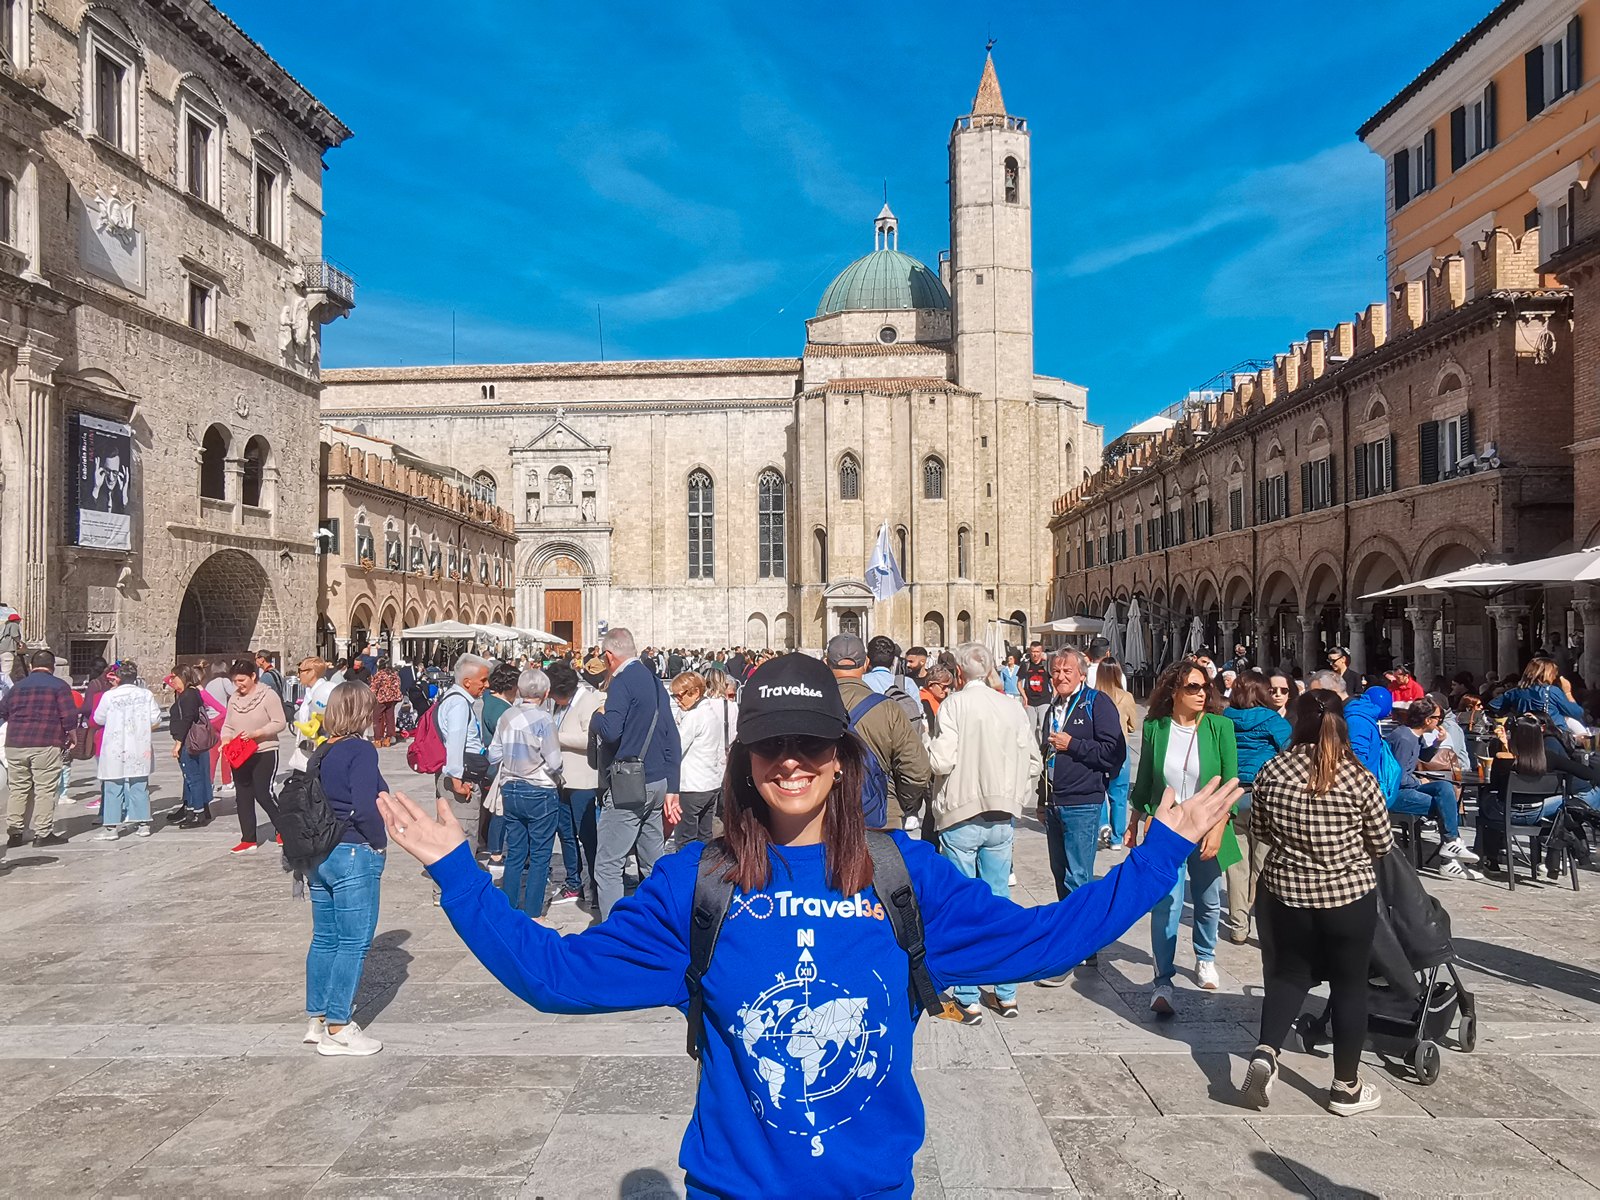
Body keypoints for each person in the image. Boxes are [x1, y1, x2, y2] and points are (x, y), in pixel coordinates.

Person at [375, 651, 1241, 1197]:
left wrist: (1160, 852)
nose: (792, 760)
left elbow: (1049, 937)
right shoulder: (697, 884)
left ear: (842, 756)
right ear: (746, 760)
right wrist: (459, 873)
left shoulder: (907, 876)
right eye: (771, 744)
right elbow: (555, 977)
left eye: (813, 743)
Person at [1241, 689, 1393, 1117]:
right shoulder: (1357, 776)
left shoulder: (1273, 769)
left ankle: (1267, 1052)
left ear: (1297, 720)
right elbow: (1382, 842)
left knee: (1287, 977)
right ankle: (1345, 1087)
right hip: (1346, 895)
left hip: (1285, 892)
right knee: (1349, 986)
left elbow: (1260, 828)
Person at [925, 643, 1044, 1020]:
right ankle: (1006, 991)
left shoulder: (954, 705)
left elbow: (943, 760)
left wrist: (926, 746)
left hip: (962, 815)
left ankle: (968, 993)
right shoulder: (1012, 705)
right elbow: (1033, 761)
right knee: (998, 902)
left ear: (958, 674)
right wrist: (1014, 795)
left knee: (963, 904)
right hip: (1000, 817)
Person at [1128, 658, 1240, 1012]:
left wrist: (1220, 829)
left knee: (1208, 899)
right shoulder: (1156, 728)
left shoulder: (1220, 727)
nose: (1201, 693)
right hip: (1167, 828)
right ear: (1174, 691)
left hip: (1209, 825)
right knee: (1167, 902)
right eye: (1192, 687)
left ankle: (1205, 955)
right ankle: (1163, 980)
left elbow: (1231, 782)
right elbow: (1145, 777)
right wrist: (1134, 820)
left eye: (1205, 686)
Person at [304, 680, 388, 1056]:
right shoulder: (361, 750)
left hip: (319, 854)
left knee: (325, 938)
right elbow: (365, 805)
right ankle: (339, 1026)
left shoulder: (321, 751)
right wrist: (379, 842)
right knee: (354, 941)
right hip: (353, 850)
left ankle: (317, 1019)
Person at [1032, 647, 1125, 987]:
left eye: (1067, 671)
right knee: (1061, 876)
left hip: (1083, 802)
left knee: (1077, 877)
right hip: (1055, 802)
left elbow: (1114, 753)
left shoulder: (1096, 704)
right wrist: (1042, 800)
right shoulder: (1051, 709)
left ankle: (1071, 951)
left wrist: (1074, 745)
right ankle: (1086, 941)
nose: (1060, 676)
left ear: (1083, 674)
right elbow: (1045, 757)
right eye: (1055, 671)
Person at [590, 627, 682, 919]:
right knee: (652, 862)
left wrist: (596, 719)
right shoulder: (655, 682)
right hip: (657, 782)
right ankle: (661, 921)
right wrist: (673, 788)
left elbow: (612, 731)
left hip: (629, 785)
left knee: (608, 864)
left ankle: (614, 932)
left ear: (609, 655)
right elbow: (671, 737)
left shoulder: (621, 682)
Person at [826, 634, 930, 830]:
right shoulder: (889, 709)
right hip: (881, 817)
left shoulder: (814, 706)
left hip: (828, 817)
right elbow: (917, 770)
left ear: (826, 662)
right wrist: (897, 799)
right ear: (866, 663)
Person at [1478, 714, 1600, 873]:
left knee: (1485, 801)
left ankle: (1491, 859)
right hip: (1538, 812)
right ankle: (1560, 844)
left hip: (1507, 812)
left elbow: (1493, 786)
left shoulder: (1504, 757)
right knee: (1568, 804)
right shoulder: (1549, 757)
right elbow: (1588, 774)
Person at [488, 669, 566, 917]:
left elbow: (493, 754)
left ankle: (509, 910)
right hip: (539, 790)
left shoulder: (506, 716)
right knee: (541, 855)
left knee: (515, 852)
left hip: (511, 788)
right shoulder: (545, 720)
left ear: (520, 691)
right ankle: (533, 913)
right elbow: (554, 762)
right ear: (545, 694)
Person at [1222, 671, 1293, 944]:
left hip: (1232, 794)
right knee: (1264, 863)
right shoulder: (1273, 721)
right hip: (1264, 795)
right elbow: (1290, 752)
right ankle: (1263, 923)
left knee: (1236, 864)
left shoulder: (1224, 718)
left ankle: (1239, 925)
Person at [1384, 697, 1480, 875]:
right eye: (1437, 718)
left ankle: (1451, 845)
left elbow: (1422, 757)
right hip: (1395, 793)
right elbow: (1400, 777)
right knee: (1446, 806)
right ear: (1428, 720)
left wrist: (1436, 744)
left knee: (1444, 788)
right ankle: (1449, 856)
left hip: (1407, 787)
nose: (1440, 721)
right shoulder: (1404, 739)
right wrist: (1419, 782)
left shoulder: (1412, 735)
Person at [1, 649, 79, 847]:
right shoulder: (59, 686)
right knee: (45, 789)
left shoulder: (17, 687)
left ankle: (15, 832)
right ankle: (43, 833)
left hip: (16, 743)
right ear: (53, 667)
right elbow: (69, 716)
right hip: (46, 743)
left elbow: (3, 711)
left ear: (30, 666)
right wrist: (71, 734)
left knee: (18, 788)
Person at [219, 658, 288, 853]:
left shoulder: (268, 695)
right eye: (235, 681)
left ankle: (283, 829)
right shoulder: (234, 698)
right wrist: (225, 739)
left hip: (264, 750)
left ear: (253, 676)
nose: (239, 685)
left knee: (263, 793)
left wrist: (257, 733)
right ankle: (248, 838)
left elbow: (279, 722)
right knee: (243, 795)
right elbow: (228, 724)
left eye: (242, 680)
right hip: (240, 753)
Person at [548, 660, 603, 905]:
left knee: (588, 835)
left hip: (584, 781)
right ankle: (573, 883)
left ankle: (596, 884)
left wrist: (554, 737)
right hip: (562, 779)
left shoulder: (588, 701)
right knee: (566, 834)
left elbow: (588, 738)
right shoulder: (559, 706)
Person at [90, 660, 162, 840]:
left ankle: (111, 828)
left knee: (113, 785)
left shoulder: (109, 696)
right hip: (139, 745)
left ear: (119, 678)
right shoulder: (146, 695)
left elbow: (98, 718)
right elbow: (155, 719)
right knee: (139, 784)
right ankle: (143, 824)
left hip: (115, 746)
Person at [670, 671, 725, 850]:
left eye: (679, 696)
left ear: (694, 693)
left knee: (685, 839)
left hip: (692, 786)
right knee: (705, 836)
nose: (677, 701)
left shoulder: (694, 717)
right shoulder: (711, 713)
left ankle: (686, 874)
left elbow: (675, 748)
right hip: (710, 784)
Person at [1094, 657, 1138, 849]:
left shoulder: (1092, 696)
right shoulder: (1126, 697)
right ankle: (1117, 839)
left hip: (1097, 749)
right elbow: (1133, 725)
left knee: (1098, 790)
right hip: (1121, 750)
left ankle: (1103, 824)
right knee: (1119, 794)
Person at [167, 665, 216, 827]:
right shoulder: (191, 693)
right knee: (192, 777)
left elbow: (187, 719)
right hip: (189, 740)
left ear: (183, 676)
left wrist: (178, 743)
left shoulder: (189, 695)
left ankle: (198, 813)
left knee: (193, 778)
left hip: (188, 741)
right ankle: (191, 810)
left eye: (174, 676)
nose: (171, 680)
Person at [1489, 658, 1586, 724]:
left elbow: (1493, 706)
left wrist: (1513, 713)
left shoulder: (1515, 692)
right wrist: (1568, 692)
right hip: (1551, 736)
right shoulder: (1552, 691)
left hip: (1523, 735)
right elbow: (1576, 712)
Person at [1018, 641, 1052, 733]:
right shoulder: (1026, 665)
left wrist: (1054, 698)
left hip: (1044, 700)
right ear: (1030, 651)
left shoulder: (1046, 665)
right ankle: (1033, 747)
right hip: (1030, 701)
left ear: (1041, 652)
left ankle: (1044, 747)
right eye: (1033, 651)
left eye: (1037, 652)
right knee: (1030, 729)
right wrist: (1024, 697)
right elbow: (1019, 683)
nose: (1035, 654)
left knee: (1043, 727)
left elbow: (1053, 682)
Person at [370, 659, 403, 747]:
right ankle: (388, 738)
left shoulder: (380, 674)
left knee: (376, 717)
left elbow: (374, 687)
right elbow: (398, 685)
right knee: (390, 718)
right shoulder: (394, 674)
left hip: (382, 698)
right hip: (392, 698)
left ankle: (377, 739)